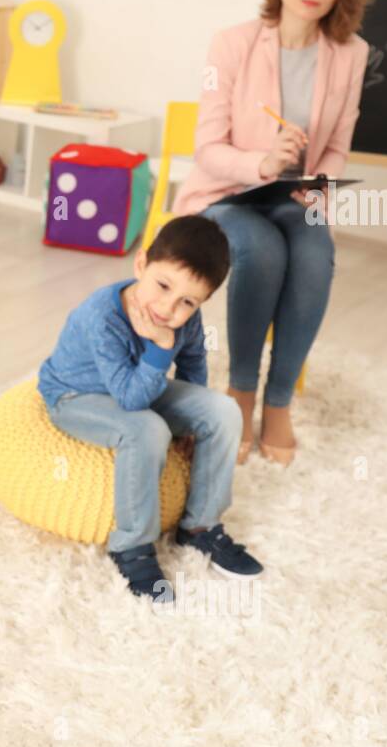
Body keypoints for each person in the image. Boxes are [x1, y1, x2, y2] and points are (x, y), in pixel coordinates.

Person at [173, 0, 370, 465]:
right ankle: (241, 392)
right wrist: (261, 161)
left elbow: (337, 148)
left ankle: (278, 404)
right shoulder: (232, 44)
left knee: (313, 250)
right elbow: (208, 147)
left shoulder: (351, 54)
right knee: (260, 248)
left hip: (294, 197)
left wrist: (317, 192)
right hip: (227, 192)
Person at [37, 216, 262, 602]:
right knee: (147, 429)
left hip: (139, 382)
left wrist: (192, 426)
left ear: (202, 302)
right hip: (77, 396)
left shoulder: (185, 319)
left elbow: (192, 367)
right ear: (141, 264)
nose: (167, 307)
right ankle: (131, 544)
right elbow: (130, 400)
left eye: (187, 302)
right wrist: (160, 346)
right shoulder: (102, 316)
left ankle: (200, 526)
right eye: (162, 286)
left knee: (225, 410)